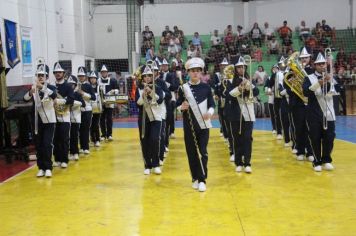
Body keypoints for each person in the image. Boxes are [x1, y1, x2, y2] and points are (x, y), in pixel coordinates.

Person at [176, 57, 215, 192]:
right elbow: (176, 106)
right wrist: (182, 106)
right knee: (192, 153)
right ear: (188, 72)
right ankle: (195, 178)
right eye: (192, 71)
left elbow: (212, 105)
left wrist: (209, 113)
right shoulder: (183, 88)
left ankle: (203, 179)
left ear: (201, 72)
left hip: (204, 126)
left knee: (202, 152)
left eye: (198, 71)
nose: (195, 73)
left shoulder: (206, 87)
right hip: (189, 126)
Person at [303, 52, 340, 171]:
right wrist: (320, 82)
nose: (322, 66)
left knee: (329, 137)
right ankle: (317, 161)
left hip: (329, 112)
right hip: (313, 112)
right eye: (319, 64)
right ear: (315, 65)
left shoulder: (331, 77)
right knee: (315, 137)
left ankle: (326, 159)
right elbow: (306, 92)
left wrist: (330, 82)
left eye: (323, 64)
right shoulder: (308, 78)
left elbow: (337, 90)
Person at [225, 56, 259, 173]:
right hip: (235, 114)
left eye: (243, 67)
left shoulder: (249, 80)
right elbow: (229, 95)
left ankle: (247, 162)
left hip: (249, 114)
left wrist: (250, 86)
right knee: (237, 139)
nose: (241, 69)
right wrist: (239, 88)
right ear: (235, 69)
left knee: (248, 138)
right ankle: (238, 162)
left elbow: (257, 92)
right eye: (238, 67)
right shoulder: (229, 81)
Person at [23, 64, 57, 177]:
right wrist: (30, 92)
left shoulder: (50, 87)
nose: (40, 77)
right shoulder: (33, 88)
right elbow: (25, 98)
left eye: (43, 75)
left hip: (49, 121)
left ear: (47, 77)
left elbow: (54, 95)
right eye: (39, 75)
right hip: (37, 121)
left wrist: (41, 87)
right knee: (39, 145)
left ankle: (48, 167)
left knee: (47, 144)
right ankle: (41, 167)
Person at [136, 66, 164, 175]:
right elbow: (137, 104)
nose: (147, 78)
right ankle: (147, 165)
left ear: (153, 77)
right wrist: (143, 95)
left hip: (156, 118)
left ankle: (156, 164)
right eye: (145, 76)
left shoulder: (158, 87)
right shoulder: (138, 89)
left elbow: (160, 100)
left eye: (149, 76)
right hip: (143, 119)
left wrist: (151, 92)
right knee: (145, 141)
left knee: (155, 139)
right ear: (142, 78)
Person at [52, 62, 74, 168]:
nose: (58, 74)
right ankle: (57, 159)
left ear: (63, 73)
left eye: (60, 72)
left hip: (65, 116)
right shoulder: (51, 86)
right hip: (53, 116)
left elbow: (71, 100)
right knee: (55, 139)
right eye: (56, 72)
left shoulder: (68, 86)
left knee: (64, 139)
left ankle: (64, 159)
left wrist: (59, 101)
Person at [77, 67, 96, 154]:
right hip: (77, 110)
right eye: (79, 76)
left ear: (85, 76)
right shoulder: (75, 85)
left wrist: (83, 93)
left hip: (87, 110)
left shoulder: (88, 86)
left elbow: (93, 97)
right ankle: (81, 147)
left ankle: (86, 147)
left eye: (82, 76)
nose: (81, 77)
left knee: (85, 129)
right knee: (79, 129)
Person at [98, 65, 118, 141]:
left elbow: (117, 90)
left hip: (110, 102)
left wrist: (113, 91)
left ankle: (109, 134)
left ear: (107, 72)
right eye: (102, 72)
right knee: (102, 119)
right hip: (101, 103)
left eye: (105, 72)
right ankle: (103, 134)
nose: (104, 73)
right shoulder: (98, 81)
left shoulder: (113, 80)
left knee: (109, 118)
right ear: (101, 73)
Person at [68, 75, 85, 161]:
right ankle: (71, 152)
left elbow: (83, 104)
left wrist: (72, 103)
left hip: (76, 117)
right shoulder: (66, 93)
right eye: (69, 84)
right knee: (68, 136)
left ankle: (76, 152)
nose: (71, 86)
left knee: (74, 136)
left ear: (75, 85)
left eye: (72, 84)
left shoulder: (77, 94)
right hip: (67, 118)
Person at [89, 71, 102, 147]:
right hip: (89, 109)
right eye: (91, 78)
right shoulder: (87, 86)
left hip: (97, 109)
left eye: (94, 78)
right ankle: (92, 139)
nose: (92, 79)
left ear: (96, 79)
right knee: (90, 125)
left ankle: (97, 139)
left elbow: (102, 97)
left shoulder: (99, 87)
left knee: (96, 125)